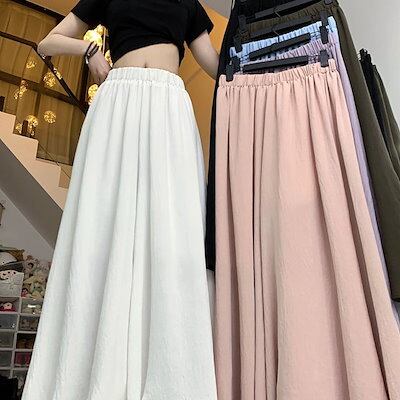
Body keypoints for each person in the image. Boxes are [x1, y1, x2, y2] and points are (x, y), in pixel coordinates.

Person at [22, 1, 220, 399]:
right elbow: (48, 42)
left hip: (169, 109)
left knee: (173, 236)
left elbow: (217, 67)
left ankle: (169, 374)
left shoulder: (187, 2)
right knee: (102, 230)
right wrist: (89, 50)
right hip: (118, 104)